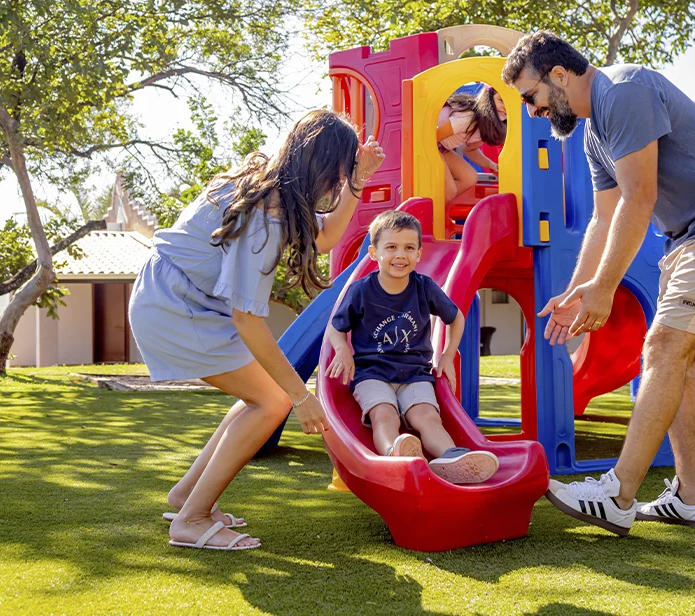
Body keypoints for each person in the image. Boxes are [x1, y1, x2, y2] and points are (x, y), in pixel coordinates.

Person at [501, 30, 695, 535]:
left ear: (559, 75)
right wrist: (579, 286)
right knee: (675, 361)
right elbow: (603, 219)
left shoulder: (624, 90)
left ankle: (617, 493)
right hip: (691, 239)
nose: (533, 111)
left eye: (531, 97)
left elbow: (639, 197)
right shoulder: (592, 134)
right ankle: (693, 499)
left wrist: (606, 288)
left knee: (663, 350)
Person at [129, 110, 385, 551]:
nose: (339, 182)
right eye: (340, 171)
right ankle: (190, 521)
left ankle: (186, 496)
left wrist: (359, 181)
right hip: (176, 304)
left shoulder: (270, 187)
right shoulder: (266, 218)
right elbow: (248, 320)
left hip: (176, 295)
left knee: (263, 394)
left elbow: (324, 239)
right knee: (274, 401)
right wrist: (303, 398)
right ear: (321, 164)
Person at [325, 210, 500, 484]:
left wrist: (447, 355)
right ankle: (394, 454)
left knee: (427, 417)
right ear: (374, 252)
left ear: (419, 254)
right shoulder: (361, 291)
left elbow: (456, 319)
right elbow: (336, 328)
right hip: (372, 373)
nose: (400, 255)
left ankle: (451, 457)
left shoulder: (424, 287)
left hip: (415, 374)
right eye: (391, 247)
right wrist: (342, 349)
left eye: (409, 248)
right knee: (384, 415)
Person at [437, 86, 507, 202]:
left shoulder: (485, 126)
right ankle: (429, 203)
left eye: (507, 103)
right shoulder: (468, 118)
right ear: (488, 98)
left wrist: (490, 164)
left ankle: (439, 202)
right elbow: (433, 137)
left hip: (442, 147)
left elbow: (469, 150)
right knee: (450, 190)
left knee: (469, 178)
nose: (504, 106)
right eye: (500, 100)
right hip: (430, 141)